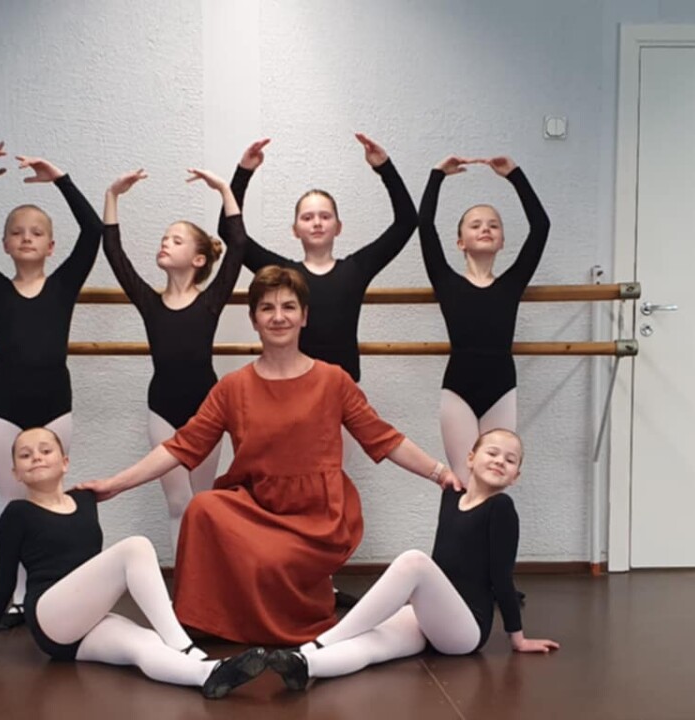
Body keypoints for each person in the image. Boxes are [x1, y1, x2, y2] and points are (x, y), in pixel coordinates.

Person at [78, 266, 461, 647]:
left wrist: (439, 471)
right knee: (202, 509)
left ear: (304, 316)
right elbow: (182, 445)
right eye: (267, 308)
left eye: (288, 307)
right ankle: (208, 624)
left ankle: (295, 622)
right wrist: (116, 484)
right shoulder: (233, 387)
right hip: (257, 505)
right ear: (254, 320)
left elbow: (384, 438)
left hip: (318, 513)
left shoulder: (333, 380)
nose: (279, 317)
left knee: (271, 556)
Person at [0, 427, 270, 699]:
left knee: (143, 644)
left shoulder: (85, 499)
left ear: (65, 462)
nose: (36, 458)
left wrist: (111, 485)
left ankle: (207, 674)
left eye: (45, 451)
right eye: (25, 455)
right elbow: (4, 579)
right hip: (50, 615)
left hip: (83, 622)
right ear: (16, 473)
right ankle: (184, 645)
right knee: (135, 547)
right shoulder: (16, 514)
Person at [260, 429, 561, 689]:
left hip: (466, 630)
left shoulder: (501, 508)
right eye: (492, 453)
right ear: (470, 458)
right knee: (374, 644)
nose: (499, 461)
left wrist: (517, 638)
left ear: (515, 477)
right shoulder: (452, 495)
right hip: (434, 617)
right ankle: (304, 664)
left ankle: (320, 642)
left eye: (510, 460)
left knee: (414, 561)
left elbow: (502, 577)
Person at [0, 142, 102, 623]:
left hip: (55, 404)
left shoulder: (64, 284)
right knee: (14, 502)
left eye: (36, 232)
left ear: (51, 246)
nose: (26, 238)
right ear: (5, 245)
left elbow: (93, 231)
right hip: (3, 406)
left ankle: (56, 587)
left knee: (53, 498)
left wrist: (61, 180)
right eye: (17, 232)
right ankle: (15, 595)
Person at [100, 166, 248, 547]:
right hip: (162, 410)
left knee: (203, 501)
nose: (165, 243)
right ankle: (185, 578)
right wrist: (112, 196)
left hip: (207, 410)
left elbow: (238, 246)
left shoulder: (210, 301)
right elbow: (114, 253)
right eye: (164, 238)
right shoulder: (149, 302)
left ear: (198, 260)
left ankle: (207, 576)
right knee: (178, 501)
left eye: (176, 240)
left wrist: (224, 189)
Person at [227, 134, 415, 384]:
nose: (317, 222)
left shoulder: (356, 269)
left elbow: (406, 222)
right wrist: (244, 172)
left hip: (342, 387)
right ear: (295, 230)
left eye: (325, 216)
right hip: (293, 383)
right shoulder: (283, 274)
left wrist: (384, 167)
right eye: (307, 218)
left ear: (338, 227)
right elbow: (230, 232)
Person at [418, 155, 549, 484]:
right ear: (460, 242)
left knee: (494, 480)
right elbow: (425, 225)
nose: (485, 229)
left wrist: (515, 175)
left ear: (502, 241)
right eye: (475, 225)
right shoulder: (446, 281)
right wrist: (437, 175)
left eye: (493, 225)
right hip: (458, 389)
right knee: (462, 482)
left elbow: (541, 227)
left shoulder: (511, 284)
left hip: (502, 387)